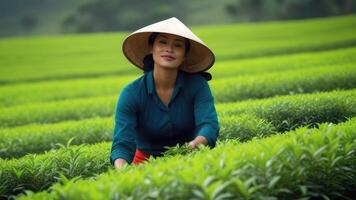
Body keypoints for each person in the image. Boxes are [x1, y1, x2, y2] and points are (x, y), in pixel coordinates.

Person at [110, 17, 219, 169]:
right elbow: (122, 141)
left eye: (178, 45)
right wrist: (122, 171)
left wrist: (196, 144)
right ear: (151, 47)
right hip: (145, 163)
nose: (169, 49)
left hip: (191, 157)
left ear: (185, 54)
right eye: (162, 42)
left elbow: (209, 124)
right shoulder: (131, 93)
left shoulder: (197, 86)